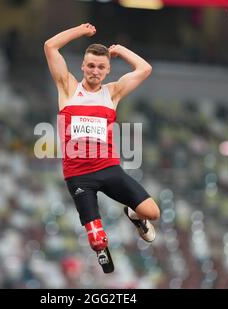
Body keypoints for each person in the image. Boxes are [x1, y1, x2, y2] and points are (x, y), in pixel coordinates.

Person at [44, 23, 160, 273]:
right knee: (97, 240)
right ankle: (101, 248)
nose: (95, 71)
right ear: (83, 67)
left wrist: (121, 50)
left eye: (101, 67)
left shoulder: (113, 93)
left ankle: (134, 215)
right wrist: (81, 31)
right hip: (78, 175)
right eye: (91, 66)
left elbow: (145, 69)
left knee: (153, 213)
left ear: (108, 70)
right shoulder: (68, 88)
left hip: (108, 169)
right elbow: (50, 46)